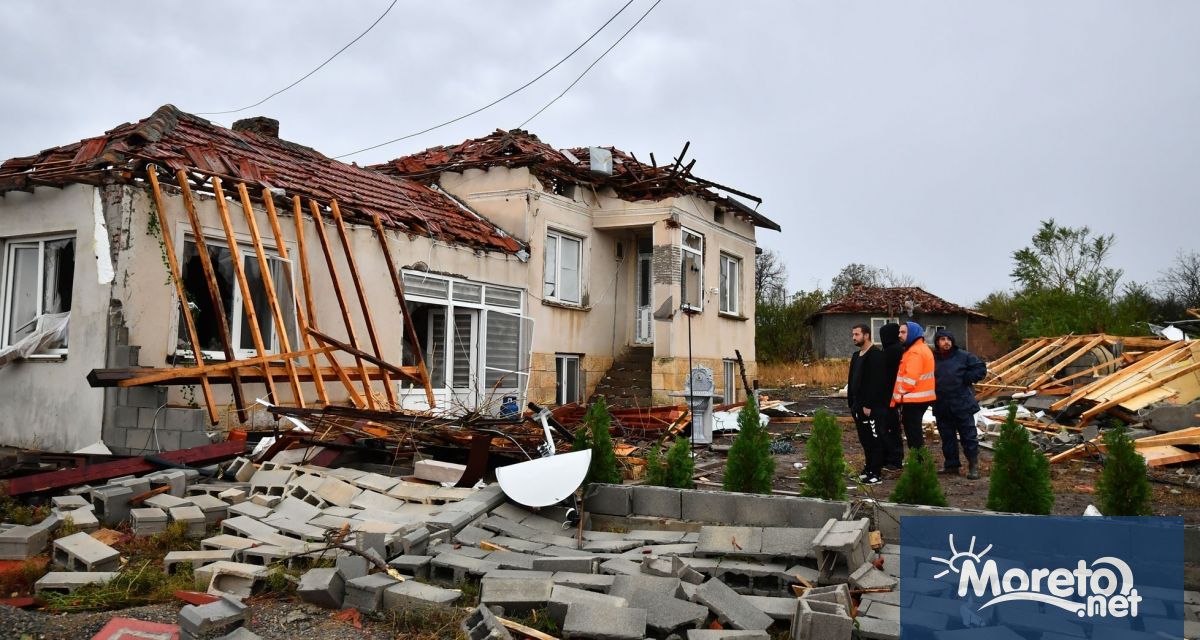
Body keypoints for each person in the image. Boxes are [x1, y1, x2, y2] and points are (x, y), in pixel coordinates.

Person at [932, 328, 987, 479]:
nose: (946, 342)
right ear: (937, 342)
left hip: (962, 403)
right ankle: (951, 465)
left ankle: (973, 466)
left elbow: (981, 368)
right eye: (942, 339)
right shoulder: (933, 358)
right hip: (942, 404)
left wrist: (968, 378)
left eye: (949, 339)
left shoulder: (963, 356)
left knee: (968, 436)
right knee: (947, 437)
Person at [847, 323, 888, 485]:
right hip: (857, 406)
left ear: (866, 335)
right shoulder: (857, 355)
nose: (854, 338)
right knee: (865, 439)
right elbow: (852, 380)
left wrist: (869, 405)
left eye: (857, 334)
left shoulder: (876, 355)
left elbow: (876, 383)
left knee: (875, 439)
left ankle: (876, 473)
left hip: (871, 408)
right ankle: (868, 468)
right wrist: (852, 402)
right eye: (853, 335)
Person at [891, 321, 936, 450]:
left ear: (913, 333)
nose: (900, 335)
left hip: (914, 399)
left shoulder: (915, 352)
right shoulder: (921, 348)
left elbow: (910, 380)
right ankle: (917, 462)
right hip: (919, 398)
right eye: (899, 332)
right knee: (914, 432)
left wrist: (898, 394)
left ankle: (918, 463)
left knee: (913, 434)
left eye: (903, 332)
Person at [878, 323, 905, 470]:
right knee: (890, 429)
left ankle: (894, 459)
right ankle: (893, 458)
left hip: (889, 396)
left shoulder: (891, 351)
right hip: (894, 396)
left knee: (890, 429)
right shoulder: (898, 349)